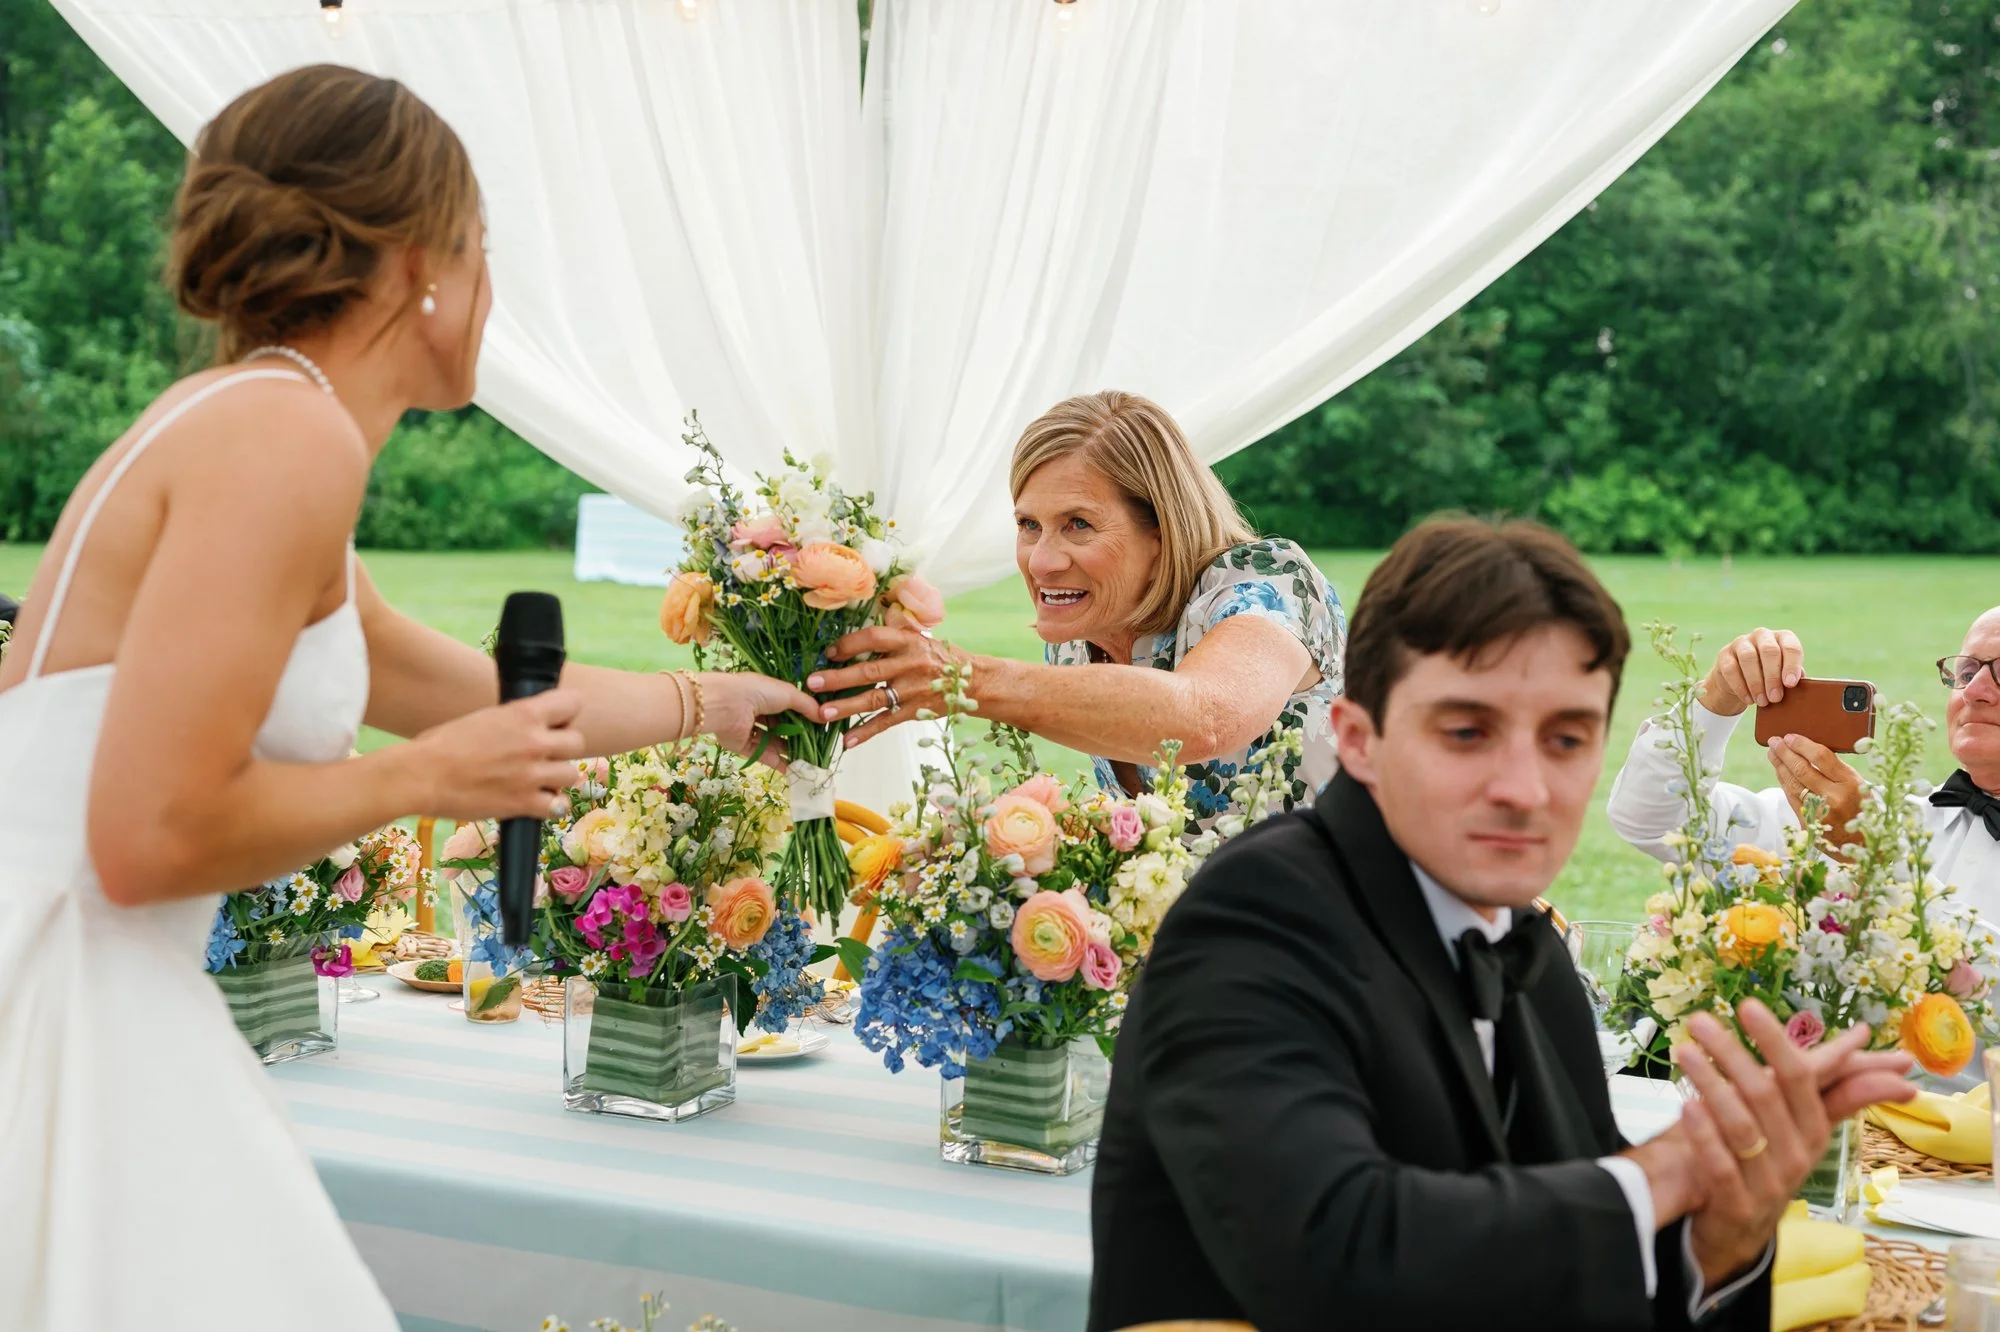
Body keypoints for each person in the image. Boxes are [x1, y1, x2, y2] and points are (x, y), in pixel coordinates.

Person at [0, 66, 816, 1332]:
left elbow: (463, 694)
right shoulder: (288, 437)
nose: (491, 287)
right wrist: (429, 784)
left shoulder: (257, 419)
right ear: (416, 261)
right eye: (485, 246)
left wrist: (709, 700)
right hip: (74, 1006)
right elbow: (147, 834)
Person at [1087, 517, 1917, 1332]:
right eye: (1467, 731)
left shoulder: (1531, 954)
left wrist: (1720, 1240)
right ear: (1358, 740)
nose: (1525, 787)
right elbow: (1332, 1254)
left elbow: (1560, 1272)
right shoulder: (1257, 914)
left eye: (1566, 738)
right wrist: (1663, 1173)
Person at [811, 390, 1344, 822]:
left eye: (1078, 524)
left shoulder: (1267, 580)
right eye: (1028, 525)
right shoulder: (1075, 646)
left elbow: (1205, 717)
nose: (1041, 562)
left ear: (1161, 531)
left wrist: (961, 679)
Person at [1606, 616, 2000, 908]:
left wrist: (1877, 859)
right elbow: (1651, 821)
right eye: (1967, 671)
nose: (1975, 691)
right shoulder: (1862, 817)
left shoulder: (1862, 831)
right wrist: (1718, 698)